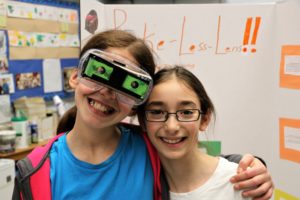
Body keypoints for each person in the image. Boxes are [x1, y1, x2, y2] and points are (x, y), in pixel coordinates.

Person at [13, 30, 272, 200]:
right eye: (100, 73)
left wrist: (250, 165)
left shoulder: (148, 146)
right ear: (74, 76)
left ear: (137, 104)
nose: (107, 93)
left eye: (127, 86)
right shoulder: (35, 170)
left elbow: (196, 162)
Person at [136, 66, 273, 200]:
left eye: (186, 112)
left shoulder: (243, 182)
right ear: (142, 121)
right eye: (157, 112)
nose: (172, 126)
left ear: (204, 119)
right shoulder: (140, 186)